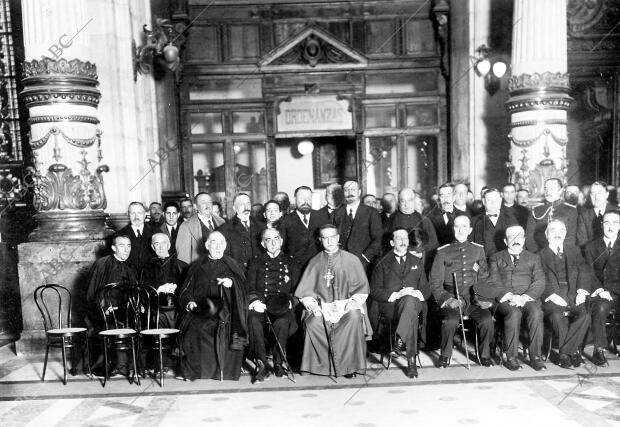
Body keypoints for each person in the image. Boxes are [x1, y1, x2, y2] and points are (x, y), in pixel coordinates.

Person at [295, 224, 372, 378]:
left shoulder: (352, 260)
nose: (329, 241)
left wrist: (353, 302)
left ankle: (349, 366)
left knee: (355, 317)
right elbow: (306, 291)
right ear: (320, 240)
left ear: (338, 238)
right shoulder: (315, 262)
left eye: (332, 237)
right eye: (325, 238)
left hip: (346, 306)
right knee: (313, 323)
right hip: (323, 308)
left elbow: (362, 288)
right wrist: (312, 305)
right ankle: (321, 367)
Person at [177, 232, 248, 381]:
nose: (217, 246)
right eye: (213, 243)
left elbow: (244, 288)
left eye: (221, 243)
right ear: (207, 245)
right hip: (202, 310)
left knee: (229, 328)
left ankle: (226, 372)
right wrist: (189, 302)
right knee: (194, 329)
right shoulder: (196, 266)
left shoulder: (233, 265)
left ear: (225, 245)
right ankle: (198, 372)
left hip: (228, 311)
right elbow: (185, 291)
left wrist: (232, 284)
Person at [429, 215, 495, 368]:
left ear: (470, 229)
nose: (461, 230)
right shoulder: (442, 252)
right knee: (449, 321)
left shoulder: (478, 250)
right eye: (457, 226)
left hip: (473, 299)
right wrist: (447, 299)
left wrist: (482, 297)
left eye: (464, 226)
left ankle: (484, 355)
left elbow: (484, 277)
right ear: (453, 229)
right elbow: (435, 282)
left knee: (487, 321)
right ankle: (445, 356)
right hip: (452, 297)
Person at [484, 225, 546, 371]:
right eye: (511, 237)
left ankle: (536, 356)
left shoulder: (534, 258)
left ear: (524, 240)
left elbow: (540, 281)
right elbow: (493, 280)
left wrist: (524, 297)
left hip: (527, 299)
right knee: (514, 313)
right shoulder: (495, 257)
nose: (516, 240)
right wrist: (509, 296)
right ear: (506, 241)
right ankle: (511, 357)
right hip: (505, 300)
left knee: (537, 312)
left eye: (519, 236)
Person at [370, 229, 429, 378]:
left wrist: (416, 293)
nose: (403, 241)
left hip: (414, 303)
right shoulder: (382, 262)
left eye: (405, 238)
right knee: (411, 315)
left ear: (409, 242)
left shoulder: (416, 261)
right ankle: (411, 361)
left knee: (410, 301)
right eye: (398, 238)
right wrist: (395, 294)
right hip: (391, 306)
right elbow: (374, 290)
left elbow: (426, 288)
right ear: (392, 242)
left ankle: (400, 341)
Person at [247, 228, 301, 382]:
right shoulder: (255, 262)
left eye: (276, 238)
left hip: (282, 305)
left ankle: (278, 363)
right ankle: (261, 364)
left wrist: (291, 302)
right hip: (261, 305)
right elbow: (250, 287)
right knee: (253, 320)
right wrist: (254, 301)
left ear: (281, 240)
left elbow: (297, 290)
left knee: (283, 321)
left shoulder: (292, 262)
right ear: (263, 244)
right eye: (268, 240)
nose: (273, 242)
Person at [538, 220, 592, 369]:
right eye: (553, 230)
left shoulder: (574, 251)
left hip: (573, 293)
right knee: (557, 316)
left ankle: (565, 352)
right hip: (553, 296)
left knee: (585, 316)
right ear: (546, 234)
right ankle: (572, 353)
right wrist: (552, 295)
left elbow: (584, 270)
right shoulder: (539, 255)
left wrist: (581, 291)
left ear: (565, 233)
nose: (557, 233)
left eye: (561, 230)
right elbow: (539, 278)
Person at [85, 234, 138, 376]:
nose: (126, 250)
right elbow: (93, 293)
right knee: (113, 324)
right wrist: (106, 307)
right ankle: (115, 365)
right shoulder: (102, 264)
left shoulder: (131, 266)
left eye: (129, 246)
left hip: (126, 310)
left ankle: (129, 365)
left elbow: (135, 291)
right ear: (114, 248)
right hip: (103, 312)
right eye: (122, 246)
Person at [583, 210, 620, 366]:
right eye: (607, 222)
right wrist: (600, 290)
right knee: (599, 308)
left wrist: (613, 291)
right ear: (601, 225)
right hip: (601, 292)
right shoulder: (591, 246)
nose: (610, 226)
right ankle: (599, 350)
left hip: (617, 290)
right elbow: (589, 273)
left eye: (615, 223)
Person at [332, 181, 383, 273]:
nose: (350, 193)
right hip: (340, 265)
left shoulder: (371, 212)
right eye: (346, 190)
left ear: (359, 192)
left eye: (353, 190)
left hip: (363, 265)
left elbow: (378, 239)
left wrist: (365, 258)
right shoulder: (336, 213)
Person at [140, 233, 188, 329]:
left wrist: (178, 288)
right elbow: (142, 292)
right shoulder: (147, 267)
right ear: (153, 247)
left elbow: (189, 291)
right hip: (156, 312)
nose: (161, 247)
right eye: (157, 244)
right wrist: (159, 289)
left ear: (169, 245)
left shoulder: (182, 266)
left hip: (177, 312)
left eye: (164, 243)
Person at [384, 188, 438, 264]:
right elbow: (384, 246)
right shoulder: (390, 221)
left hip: (419, 265)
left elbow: (433, 246)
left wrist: (422, 254)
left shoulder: (424, 221)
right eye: (403, 201)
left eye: (410, 200)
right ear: (398, 202)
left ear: (414, 201)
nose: (406, 205)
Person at [280, 186, 329, 268]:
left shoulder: (322, 217)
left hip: (319, 267)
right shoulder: (285, 221)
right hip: (296, 269)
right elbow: (282, 249)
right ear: (294, 199)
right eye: (301, 198)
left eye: (308, 198)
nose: (305, 201)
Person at [525, 178, 578, 252]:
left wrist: (560, 253)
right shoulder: (535, 210)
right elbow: (529, 236)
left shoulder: (571, 211)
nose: (548, 191)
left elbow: (571, 237)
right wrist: (537, 253)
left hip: (562, 254)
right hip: (538, 254)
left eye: (552, 188)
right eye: (545, 188)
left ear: (561, 191)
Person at [175, 192, 225, 265]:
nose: (207, 205)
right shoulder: (186, 226)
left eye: (209, 202)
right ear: (195, 206)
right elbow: (183, 260)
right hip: (199, 272)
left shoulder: (221, 222)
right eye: (203, 202)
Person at [218, 193, 262, 268]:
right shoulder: (225, 229)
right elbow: (225, 259)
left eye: (248, 203)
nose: (246, 207)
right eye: (242, 204)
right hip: (239, 275)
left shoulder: (261, 226)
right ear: (234, 208)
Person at [470, 188, 518, 257]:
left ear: (500, 200)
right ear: (484, 201)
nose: (493, 203)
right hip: (483, 263)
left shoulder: (511, 220)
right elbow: (471, 247)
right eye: (489, 200)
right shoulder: (474, 221)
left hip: (505, 263)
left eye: (496, 200)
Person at [577, 181, 617, 247]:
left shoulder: (617, 212)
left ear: (607, 195)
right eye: (593, 194)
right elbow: (582, 242)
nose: (596, 197)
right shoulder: (584, 216)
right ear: (590, 196)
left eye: (600, 193)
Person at [118, 202, 154, 272]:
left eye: (139, 213)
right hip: (129, 275)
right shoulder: (120, 234)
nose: (136, 217)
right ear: (128, 215)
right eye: (133, 213)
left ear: (144, 214)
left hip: (151, 275)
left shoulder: (155, 232)